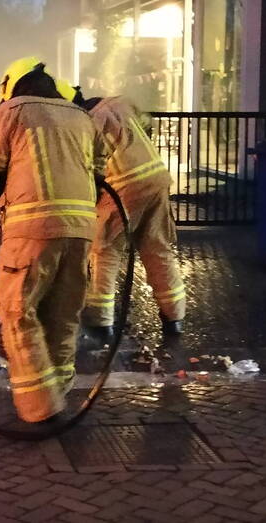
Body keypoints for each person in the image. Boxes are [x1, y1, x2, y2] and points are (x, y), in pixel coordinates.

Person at [0, 57, 109, 423]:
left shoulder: (8, 113)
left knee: (17, 312)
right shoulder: (81, 117)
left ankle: (40, 408)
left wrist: (5, 198)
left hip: (32, 230)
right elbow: (98, 176)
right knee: (62, 314)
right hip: (80, 231)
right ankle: (58, 392)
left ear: (11, 86)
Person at [67, 89, 186, 343]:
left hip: (123, 187)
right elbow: (146, 126)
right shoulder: (121, 103)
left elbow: (90, 168)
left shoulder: (87, 122)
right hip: (156, 178)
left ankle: (101, 321)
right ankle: (174, 318)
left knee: (105, 250)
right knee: (158, 249)